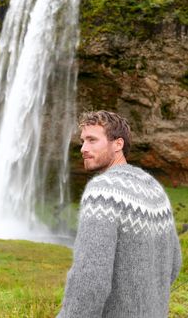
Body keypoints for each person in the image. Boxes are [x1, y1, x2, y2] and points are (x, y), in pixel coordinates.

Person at [56, 110, 182, 318]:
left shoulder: (103, 191)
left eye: (92, 140)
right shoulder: (155, 190)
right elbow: (174, 263)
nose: (83, 149)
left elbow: (90, 278)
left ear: (118, 144)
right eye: (83, 141)